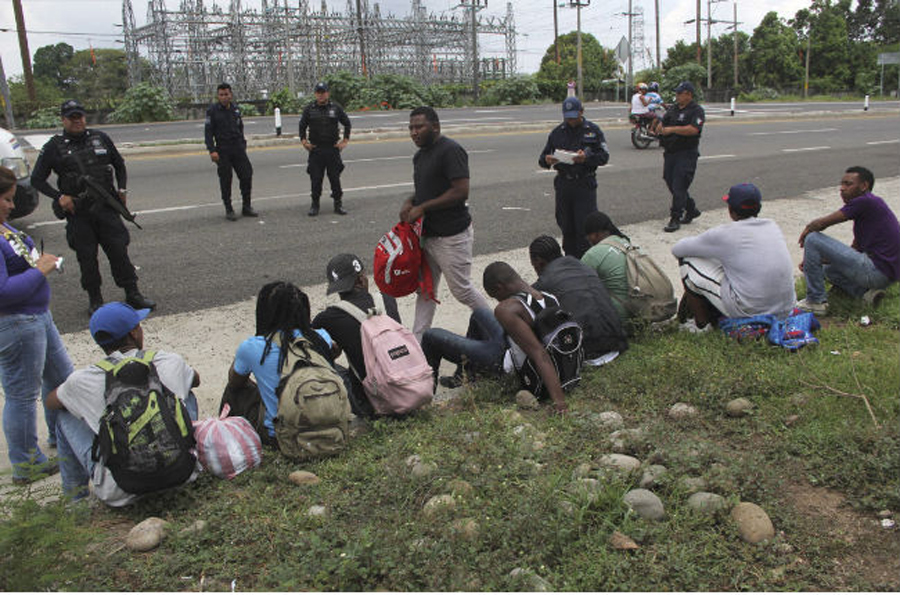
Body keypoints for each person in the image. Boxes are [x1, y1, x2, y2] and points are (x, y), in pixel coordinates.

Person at [45, 302, 200, 505]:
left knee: (64, 414)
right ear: (134, 333)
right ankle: (190, 452)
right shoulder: (168, 361)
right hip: (183, 473)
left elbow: (50, 402)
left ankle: (75, 500)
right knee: (186, 392)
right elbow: (196, 379)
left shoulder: (82, 380)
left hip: (120, 489)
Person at [31, 99, 156, 314]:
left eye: (79, 116)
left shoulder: (100, 138)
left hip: (106, 208)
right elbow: (37, 179)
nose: (77, 121)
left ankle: (132, 293)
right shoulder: (54, 146)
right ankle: (95, 299)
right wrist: (60, 197)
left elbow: (119, 164)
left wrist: (122, 190)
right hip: (79, 213)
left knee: (119, 251)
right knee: (87, 257)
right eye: (71, 117)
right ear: (63, 120)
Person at [0, 166, 72, 485]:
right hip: (16, 324)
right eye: (6, 199)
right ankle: (26, 465)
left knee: (62, 379)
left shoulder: (4, 228)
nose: (12, 205)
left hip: (37, 317)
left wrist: (41, 262)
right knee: (21, 395)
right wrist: (40, 270)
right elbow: (3, 292)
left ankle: (62, 436)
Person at [420, 261, 569, 414]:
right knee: (480, 313)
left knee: (431, 336)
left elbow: (540, 353)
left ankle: (423, 403)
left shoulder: (506, 309)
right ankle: (464, 376)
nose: (498, 301)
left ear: (499, 287)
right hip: (513, 348)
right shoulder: (549, 297)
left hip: (505, 364)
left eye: (496, 296)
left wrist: (560, 402)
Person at [400, 106, 490, 339]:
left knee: (462, 290)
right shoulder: (420, 156)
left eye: (419, 127)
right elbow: (426, 190)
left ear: (435, 127)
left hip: (452, 236)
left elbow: (460, 191)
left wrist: (422, 207)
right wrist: (410, 202)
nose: (414, 132)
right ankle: (418, 341)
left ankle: (496, 330)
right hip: (428, 235)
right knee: (425, 290)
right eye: (411, 128)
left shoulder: (451, 151)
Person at [671, 183, 796, 331]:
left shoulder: (726, 233)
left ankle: (702, 326)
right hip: (785, 309)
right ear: (759, 207)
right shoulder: (772, 226)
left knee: (687, 261)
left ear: (731, 210)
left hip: (749, 311)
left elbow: (678, 250)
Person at [225, 282, 334, 445]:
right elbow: (334, 351)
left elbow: (235, 382)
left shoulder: (253, 347)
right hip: (331, 430)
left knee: (233, 390)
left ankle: (229, 440)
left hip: (282, 438)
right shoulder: (321, 337)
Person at [797, 166, 900, 314]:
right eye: (842, 184)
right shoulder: (868, 212)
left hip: (876, 271)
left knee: (813, 239)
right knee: (828, 270)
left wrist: (807, 230)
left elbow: (821, 224)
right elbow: (855, 250)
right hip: (885, 275)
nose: (842, 188)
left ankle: (816, 301)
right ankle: (865, 294)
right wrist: (815, 259)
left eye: (848, 184)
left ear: (864, 186)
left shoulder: (866, 201)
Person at [312, 253, 401, 418]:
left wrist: (333, 350)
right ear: (361, 279)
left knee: (328, 366)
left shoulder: (328, 318)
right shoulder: (387, 299)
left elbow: (310, 346)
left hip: (370, 404)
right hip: (407, 388)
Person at [529, 236, 628, 361]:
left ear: (538, 261)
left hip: (589, 352)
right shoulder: (582, 266)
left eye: (533, 265)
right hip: (618, 342)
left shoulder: (544, 282)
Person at [538, 97, 610, 258]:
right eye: (567, 117)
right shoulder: (557, 133)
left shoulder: (592, 131)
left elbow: (604, 157)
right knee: (566, 227)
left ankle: (587, 262)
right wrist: (548, 160)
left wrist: (586, 158)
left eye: (574, 116)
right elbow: (542, 158)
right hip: (564, 184)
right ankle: (570, 260)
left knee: (585, 228)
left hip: (584, 183)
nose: (571, 120)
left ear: (581, 112)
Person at [204, 83, 257, 221]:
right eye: (221, 95)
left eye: (226, 94)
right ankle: (229, 209)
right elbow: (208, 133)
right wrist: (212, 150)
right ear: (218, 96)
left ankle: (247, 206)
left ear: (231, 95)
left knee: (246, 175)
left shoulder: (235, 109)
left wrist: (243, 143)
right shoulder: (212, 111)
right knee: (226, 180)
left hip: (237, 148)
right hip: (223, 150)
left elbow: (240, 127)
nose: (224, 97)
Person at [299, 82, 351, 216]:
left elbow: (347, 123)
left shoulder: (335, 108)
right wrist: (304, 142)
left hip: (332, 149)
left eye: (323, 92)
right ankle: (315, 205)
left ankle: (338, 204)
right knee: (316, 179)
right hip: (316, 150)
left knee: (335, 178)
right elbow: (302, 126)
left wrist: (345, 141)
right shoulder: (309, 109)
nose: (321, 95)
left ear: (328, 93)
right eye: (319, 92)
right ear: (315, 94)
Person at [659, 81, 704, 233]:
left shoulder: (696, 110)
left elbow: (693, 129)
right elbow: (664, 122)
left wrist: (672, 129)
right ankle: (691, 208)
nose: (677, 96)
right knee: (670, 181)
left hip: (686, 153)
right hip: (671, 152)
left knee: (679, 185)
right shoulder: (673, 109)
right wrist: (659, 127)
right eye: (676, 93)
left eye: (680, 93)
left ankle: (675, 217)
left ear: (688, 95)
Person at [580, 211, 633, 324]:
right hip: (642, 310)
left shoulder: (593, 254)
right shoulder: (625, 242)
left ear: (596, 234)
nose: (588, 240)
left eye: (588, 236)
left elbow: (577, 287)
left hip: (620, 317)